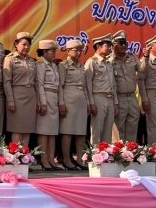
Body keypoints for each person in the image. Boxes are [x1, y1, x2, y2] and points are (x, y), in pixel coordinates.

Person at [3, 32, 41, 149]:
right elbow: (7, 81)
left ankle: (25, 158)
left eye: (29, 45)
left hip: (31, 96)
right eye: (24, 44)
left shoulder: (31, 60)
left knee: (27, 129)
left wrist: (38, 100)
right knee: (17, 129)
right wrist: (10, 100)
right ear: (16, 44)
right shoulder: (10, 59)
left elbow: (36, 82)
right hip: (16, 95)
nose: (26, 47)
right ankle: (15, 158)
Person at [58, 39, 91, 169]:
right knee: (67, 131)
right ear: (67, 51)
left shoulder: (81, 66)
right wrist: (61, 103)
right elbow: (60, 86)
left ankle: (81, 159)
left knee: (81, 132)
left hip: (81, 100)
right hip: (69, 100)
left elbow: (85, 86)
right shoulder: (63, 65)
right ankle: (66, 159)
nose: (78, 52)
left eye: (80, 50)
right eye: (75, 50)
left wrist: (88, 102)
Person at [110, 30, 143, 143]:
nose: (124, 46)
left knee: (133, 127)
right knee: (119, 129)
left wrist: (147, 58)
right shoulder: (110, 60)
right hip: (119, 98)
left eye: (125, 43)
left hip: (132, 97)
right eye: (121, 43)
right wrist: (114, 102)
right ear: (113, 45)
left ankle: (131, 152)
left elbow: (143, 72)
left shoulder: (132, 57)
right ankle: (119, 155)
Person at [85, 34, 117, 145]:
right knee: (96, 129)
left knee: (108, 130)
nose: (109, 48)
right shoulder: (91, 62)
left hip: (110, 99)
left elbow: (113, 84)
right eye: (107, 46)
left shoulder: (108, 63)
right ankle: (94, 155)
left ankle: (105, 156)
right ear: (98, 47)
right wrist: (91, 103)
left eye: (110, 46)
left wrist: (116, 102)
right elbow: (87, 85)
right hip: (98, 97)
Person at [36, 39, 62, 170]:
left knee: (52, 132)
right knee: (43, 132)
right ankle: (43, 159)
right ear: (44, 51)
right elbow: (39, 84)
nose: (54, 53)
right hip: (45, 97)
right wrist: (43, 102)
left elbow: (59, 86)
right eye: (52, 51)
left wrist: (60, 102)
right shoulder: (40, 65)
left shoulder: (54, 65)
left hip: (54, 97)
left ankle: (51, 159)